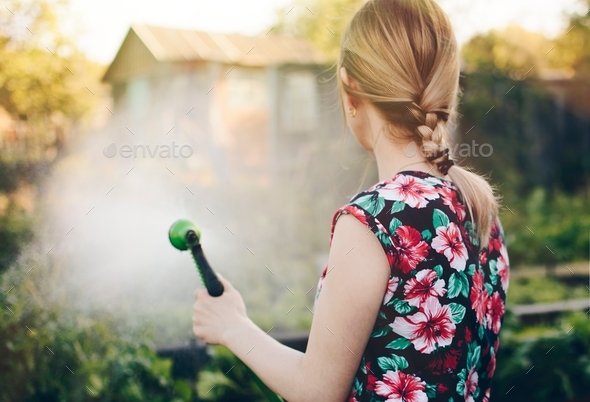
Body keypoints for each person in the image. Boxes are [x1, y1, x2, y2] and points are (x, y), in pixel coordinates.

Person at [191, 0, 510, 400]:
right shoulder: (479, 208)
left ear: (351, 87)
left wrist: (233, 327)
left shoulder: (372, 223)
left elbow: (317, 391)